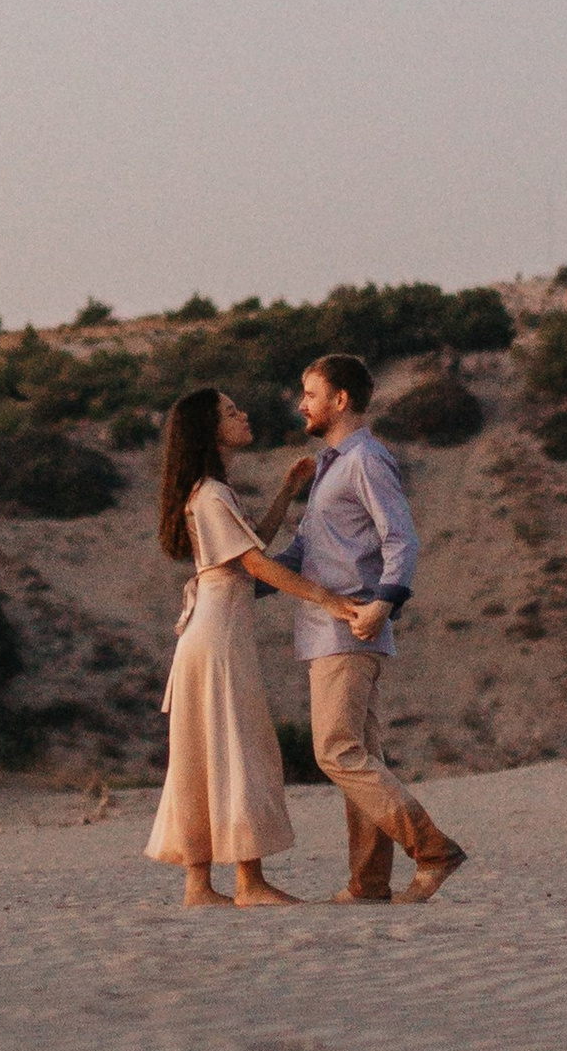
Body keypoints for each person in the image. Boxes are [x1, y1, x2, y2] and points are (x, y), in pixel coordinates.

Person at [146, 387, 387, 909]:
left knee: (204, 750)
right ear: (210, 429)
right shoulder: (211, 493)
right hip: (218, 636)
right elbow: (255, 564)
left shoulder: (209, 492)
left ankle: (201, 885)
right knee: (238, 745)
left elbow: (251, 542)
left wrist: (286, 492)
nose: (243, 415)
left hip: (211, 630)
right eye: (231, 412)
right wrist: (326, 599)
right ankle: (248, 883)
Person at [264, 352, 466, 903]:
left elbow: (401, 536)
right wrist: (240, 582)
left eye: (310, 394)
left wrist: (385, 601)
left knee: (336, 752)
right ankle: (369, 883)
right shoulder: (329, 466)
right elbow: (304, 553)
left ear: (340, 399)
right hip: (329, 630)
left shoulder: (366, 460)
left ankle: (433, 850)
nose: (301, 404)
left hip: (349, 627)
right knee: (361, 757)